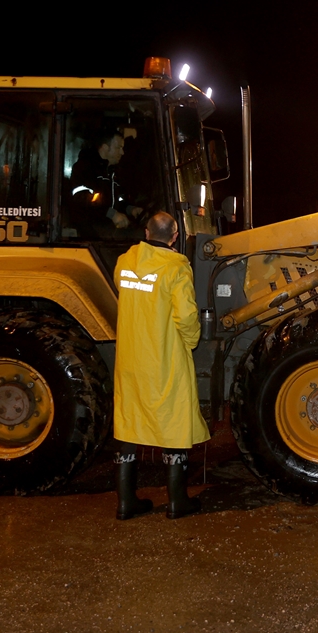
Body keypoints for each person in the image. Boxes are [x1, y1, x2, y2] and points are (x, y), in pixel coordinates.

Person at [111, 212, 208, 520]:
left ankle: (126, 502)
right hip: (164, 357)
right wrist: (191, 341)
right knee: (173, 420)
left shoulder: (125, 263)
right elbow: (186, 316)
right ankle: (177, 501)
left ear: (145, 231)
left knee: (128, 421)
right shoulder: (176, 268)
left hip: (130, 358)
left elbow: (130, 290)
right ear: (175, 235)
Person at [68, 128, 143, 237]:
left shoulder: (113, 171)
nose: (122, 152)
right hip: (88, 230)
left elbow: (118, 199)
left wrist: (130, 209)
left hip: (106, 227)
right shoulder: (85, 168)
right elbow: (81, 199)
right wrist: (111, 214)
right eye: (118, 148)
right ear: (104, 148)